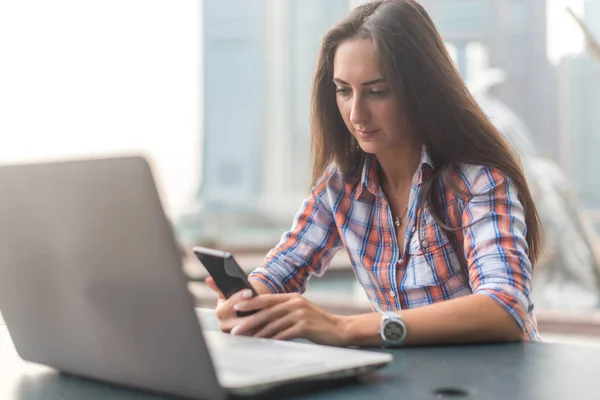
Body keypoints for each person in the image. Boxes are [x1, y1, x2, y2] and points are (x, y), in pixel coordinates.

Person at [206, 0, 542, 346]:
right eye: (343, 91)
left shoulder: (476, 180)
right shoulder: (341, 184)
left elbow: (506, 307)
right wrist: (246, 301)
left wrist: (344, 328)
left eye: (377, 92)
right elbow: (284, 267)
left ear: (420, 89)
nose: (355, 114)